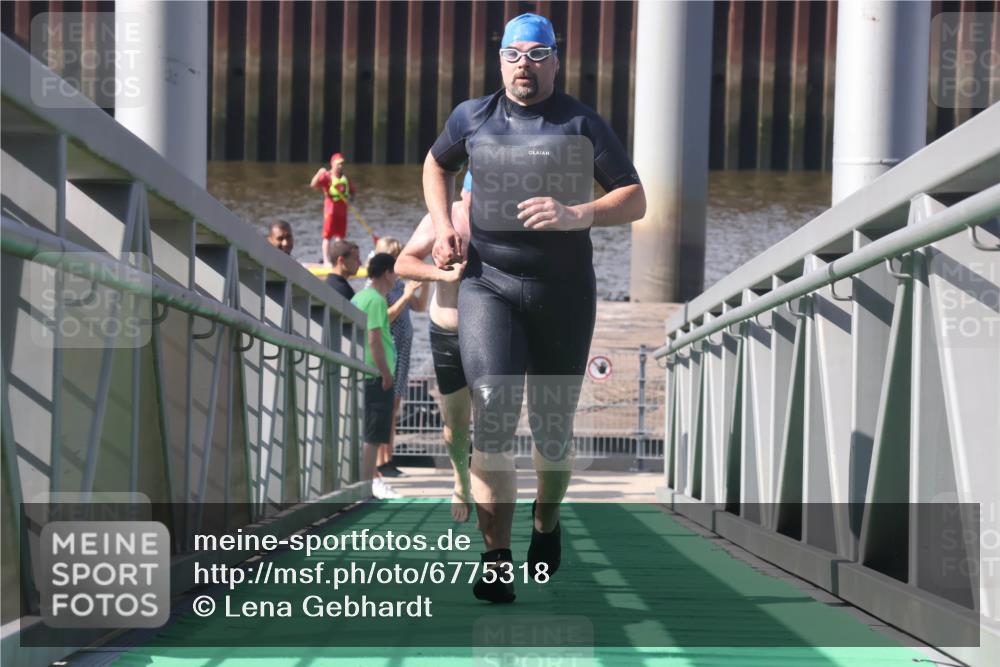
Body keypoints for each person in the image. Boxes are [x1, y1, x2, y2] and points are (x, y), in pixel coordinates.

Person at [422, 13, 646, 602]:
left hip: (562, 293)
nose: (525, 65)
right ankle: (495, 557)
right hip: (487, 284)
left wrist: (580, 213)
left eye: (537, 54)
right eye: (515, 54)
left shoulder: (579, 123)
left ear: (555, 59)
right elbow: (435, 165)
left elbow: (635, 197)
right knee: (493, 412)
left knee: (552, 431)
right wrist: (445, 226)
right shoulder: (471, 117)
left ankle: (546, 523)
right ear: (500, 59)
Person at [395, 171, 473, 522]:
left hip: (496, 332)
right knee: (455, 422)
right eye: (476, 193)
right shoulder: (446, 218)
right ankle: (461, 481)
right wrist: (443, 275)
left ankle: (488, 489)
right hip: (449, 331)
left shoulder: (509, 220)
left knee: (493, 419)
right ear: (464, 191)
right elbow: (403, 262)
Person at [372, 237, 429, 479]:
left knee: (394, 407)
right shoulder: (378, 289)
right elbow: (385, 318)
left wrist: (424, 280)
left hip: (403, 354)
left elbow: (419, 307)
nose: (398, 261)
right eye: (394, 256)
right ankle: (379, 461)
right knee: (385, 407)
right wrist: (406, 296)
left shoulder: (396, 285)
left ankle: (389, 458)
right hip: (390, 352)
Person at [351, 253, 402, 500]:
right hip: (375, 375)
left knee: (365, 433)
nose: (397, 278)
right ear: (386, 273)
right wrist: (385, 373)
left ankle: (363, 483)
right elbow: (374, 339)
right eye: (395, 272)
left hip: (362, 372)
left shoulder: (359, 296)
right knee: (373, 435)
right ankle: (365, 488)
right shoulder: (376, 301)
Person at [310, 152, 356, 267]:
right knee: (327, 237)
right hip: (330, 212)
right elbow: (313, 185)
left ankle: (336, 260)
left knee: (340, 238)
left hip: (342, 212)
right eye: (338, 164)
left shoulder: (345, 178)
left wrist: (351, 200)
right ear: (332, 164)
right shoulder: (327, 177)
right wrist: (318, 174)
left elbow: (353, 192)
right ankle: (326, 261)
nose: (340, 166)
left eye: (342, 164)